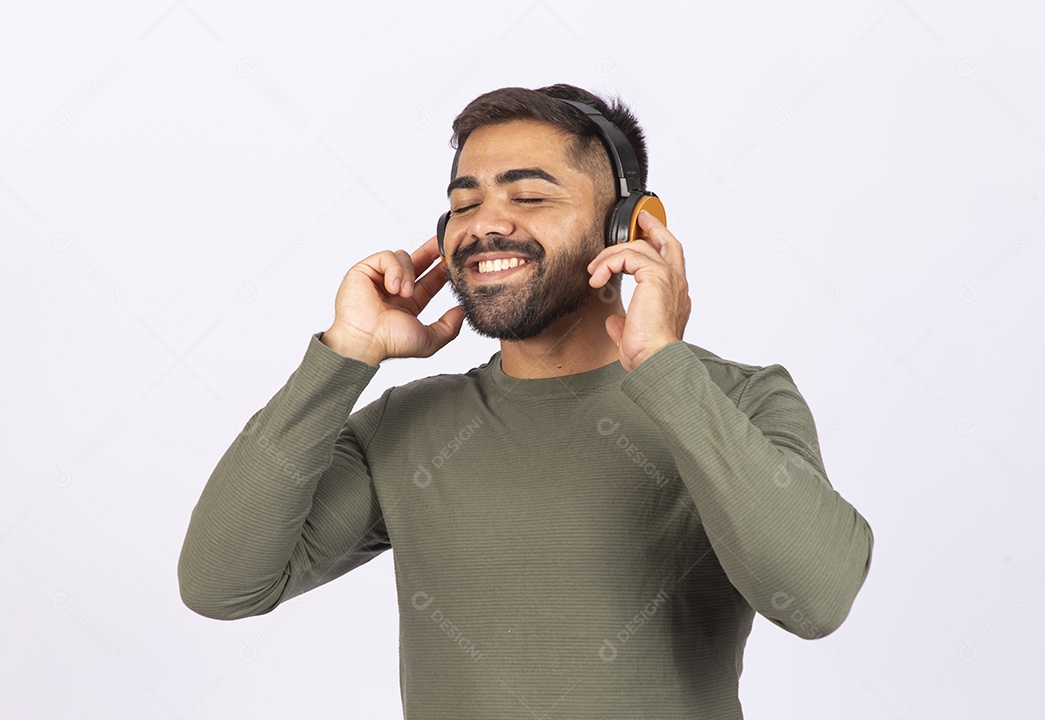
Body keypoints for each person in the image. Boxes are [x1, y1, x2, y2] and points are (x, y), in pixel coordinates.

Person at [179, 83, 874, 719]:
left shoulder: (737, 400)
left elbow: (814, 598)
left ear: (627, 228)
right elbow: (221, 584)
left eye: (530, 196)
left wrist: (664, 365)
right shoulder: (409, 425)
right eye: (463, 203)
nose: (485, 225)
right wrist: (344, 355)